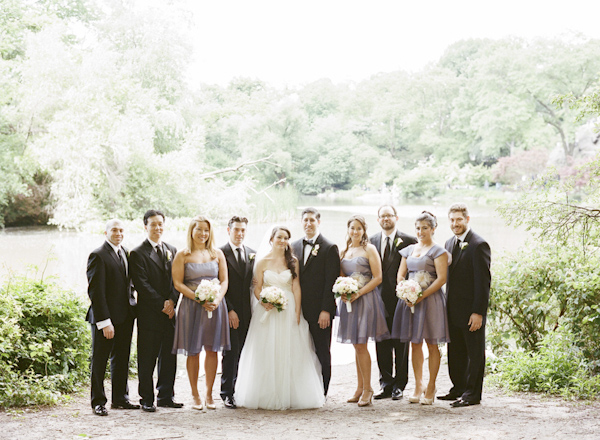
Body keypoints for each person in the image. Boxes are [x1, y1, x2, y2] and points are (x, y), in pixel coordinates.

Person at [235, 226, 325, 410]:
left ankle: (291, 394)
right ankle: (267, 392)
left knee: (291, 348)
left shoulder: (292, 261)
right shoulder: (262, 262)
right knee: (266, 349)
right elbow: (257, 288)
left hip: (289, 307)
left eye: (286, 238)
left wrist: (297, 312)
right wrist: (264, 301)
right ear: (272, 239)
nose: (282, 241)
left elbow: (296, 286)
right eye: (279, 237)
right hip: (267, 310)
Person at [171, 216, 230, 411]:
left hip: (215, 307)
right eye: (199, 230)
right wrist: (199, 298)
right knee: (193, 351)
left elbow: (224, 281)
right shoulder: (183, 255)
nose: (203, 233)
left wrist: (217, 300)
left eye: (206, 230)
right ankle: (195, 393)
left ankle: (209, 393)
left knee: (212, 350)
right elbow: (178, 283)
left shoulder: (217, 253)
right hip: (191, 307)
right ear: (191, 231)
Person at [392, 211, 450, 405]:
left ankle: (432, 385)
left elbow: (441, 279)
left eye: (425, 228)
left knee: (431, 343)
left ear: (433, 229)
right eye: (418, 228)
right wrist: (405, 292)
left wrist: (420, 295)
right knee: (414, 343)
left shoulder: (438, 251)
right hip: (409, 301)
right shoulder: (408, 250)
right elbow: (401, 275)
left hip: (430, 301)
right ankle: (418, 384)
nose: (420, 231)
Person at [438, 203, 491, 407]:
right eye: (452, 220)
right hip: (453, 311)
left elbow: (483, 283)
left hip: (471, 312)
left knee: (474, 353)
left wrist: (478, 312)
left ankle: (472, 394)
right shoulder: (449, 243)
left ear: (467, 220)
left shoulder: (479, 245)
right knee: (456, 353)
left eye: (459, 219)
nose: (455, 223)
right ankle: (458, 387)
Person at [129, 210, 182, 412]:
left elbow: (178, 280)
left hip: (170, 314)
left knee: (169, 356)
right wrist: (162, 304)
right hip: (150, 314)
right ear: (145, 227)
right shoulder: (137, 253)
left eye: (160, 224)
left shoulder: (172, 250)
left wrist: (172, 301)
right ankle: (147, 398)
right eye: (153, 224)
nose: (157, 228)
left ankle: (166, 396)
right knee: (147, 358)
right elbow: (141, 285)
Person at [86, 219, 138, 416]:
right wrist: (104, 321)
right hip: (105, 319)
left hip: (125, 316)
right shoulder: (98, 255)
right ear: (106, 232)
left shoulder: (124, 252)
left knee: (122, 358)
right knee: (100, 360)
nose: (118, 233)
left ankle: (120, 398)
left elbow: (127, 284)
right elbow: (96, 292)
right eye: (114, 230)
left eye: (121, 230)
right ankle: (98, 402)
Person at [338, 215, 390, 407]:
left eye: (359, 228)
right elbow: (341, 277)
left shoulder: (370, 249)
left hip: (366, 299)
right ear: (348, 229)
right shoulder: (344, 251)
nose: (355, 232)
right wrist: (343, 291)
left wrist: (358, 293)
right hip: (349, 302)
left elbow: (378, 278)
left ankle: (368, 388)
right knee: (356, 344)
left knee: (361, 344)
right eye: (352, 228)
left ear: (364, 231)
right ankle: (360, 387)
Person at [290, 207, 340, 396]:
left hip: (320, 310)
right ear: (301, 223)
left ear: (319, 222)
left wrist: (326, 310)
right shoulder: (293, 246)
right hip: (298, 310)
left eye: (312, 220)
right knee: (302, 350)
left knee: (322, 351)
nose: (309, 224)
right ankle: (304, 390)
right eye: (305, 220)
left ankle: (323, 390)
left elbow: (331, 281)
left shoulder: (329, 247)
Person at [369, 205, 417, 400]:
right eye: (382, 216)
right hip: (377, 300)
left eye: (389, 215)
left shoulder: (409, 241)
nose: (386, 218)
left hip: (400, 300)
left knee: (401, 344)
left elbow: (414, 269)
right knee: (381, 343)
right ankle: (385, 383)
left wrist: (410, 294)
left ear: (396, 217)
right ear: (378, 219)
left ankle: (400, 385)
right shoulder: (371, 241)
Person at [219, 216, 256, 409]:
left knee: (246, 351)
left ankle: (242, 388)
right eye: (236, 230)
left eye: (243, 230)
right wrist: (230, 309)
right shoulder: (220, 253)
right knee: (230, 352)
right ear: (228, 230)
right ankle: (227, 393)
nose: (240, 234)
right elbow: (218, 284)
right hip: (229, 310)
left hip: (250, 312)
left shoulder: (252, 253)